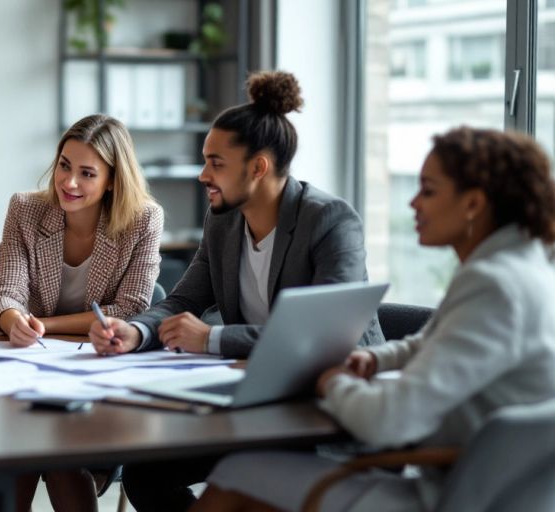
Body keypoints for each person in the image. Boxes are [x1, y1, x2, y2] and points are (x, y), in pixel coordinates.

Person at [191, 127, 555, 512]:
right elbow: (432, 341)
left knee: (237, 475)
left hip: (450, 497)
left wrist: (334, 383)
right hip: (493, 488)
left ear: (473, 204)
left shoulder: (492, 285)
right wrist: (378, 359)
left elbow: (389, 419)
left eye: (428, 191)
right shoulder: (524, 270)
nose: (413, 203)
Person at [90, 71, 385, 512]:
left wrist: (210, 339)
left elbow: (324, 343)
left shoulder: (330, 222)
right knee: (145, 475)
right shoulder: (224, 220)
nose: (202, 174)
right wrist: (136, 331)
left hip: (326, 412)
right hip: (257, 402)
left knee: (243, 485)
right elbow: (183, 301)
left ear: (259, 167)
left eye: (216, 162)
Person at [0, 113, 163, 511]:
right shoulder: (25, 210)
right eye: (65, 166)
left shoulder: (143, 220)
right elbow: (5, 292)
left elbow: (131, 307)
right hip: (29, 370)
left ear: (113, 179)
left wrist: (43, 325)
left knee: (51, 454)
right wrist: (15, 321)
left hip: (99, 374)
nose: (69, 183)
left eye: (87, 173)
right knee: (24, 451)